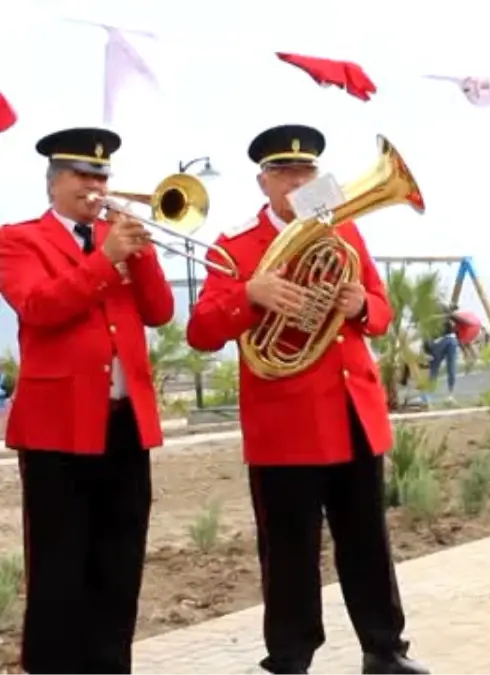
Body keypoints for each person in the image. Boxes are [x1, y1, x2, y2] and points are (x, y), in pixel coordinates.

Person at [185, 124, 428, 675]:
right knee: (290, 551)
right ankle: (290, 659)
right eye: (285, 172)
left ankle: (385, 649)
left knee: (368, 541)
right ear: (263, 181)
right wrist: (250, 294)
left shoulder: (341, 230)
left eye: (306, 172)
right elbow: (201, 330)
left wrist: (360, 302)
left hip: (351, 413)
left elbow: (383, 314)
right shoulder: (236, 244)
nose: (297, 181)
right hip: (285, 422)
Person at [0, 127, 174, 674]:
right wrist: (106, 261)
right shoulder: (19, 238)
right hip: (57, 426)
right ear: (54, 182)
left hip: (125, 424)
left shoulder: (118, 237)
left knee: (120, 560)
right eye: (82, 175)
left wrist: (139, 255)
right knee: (58, 565)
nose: (95, 185)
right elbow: (39, 306)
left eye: (101, 176)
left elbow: (161, 311)